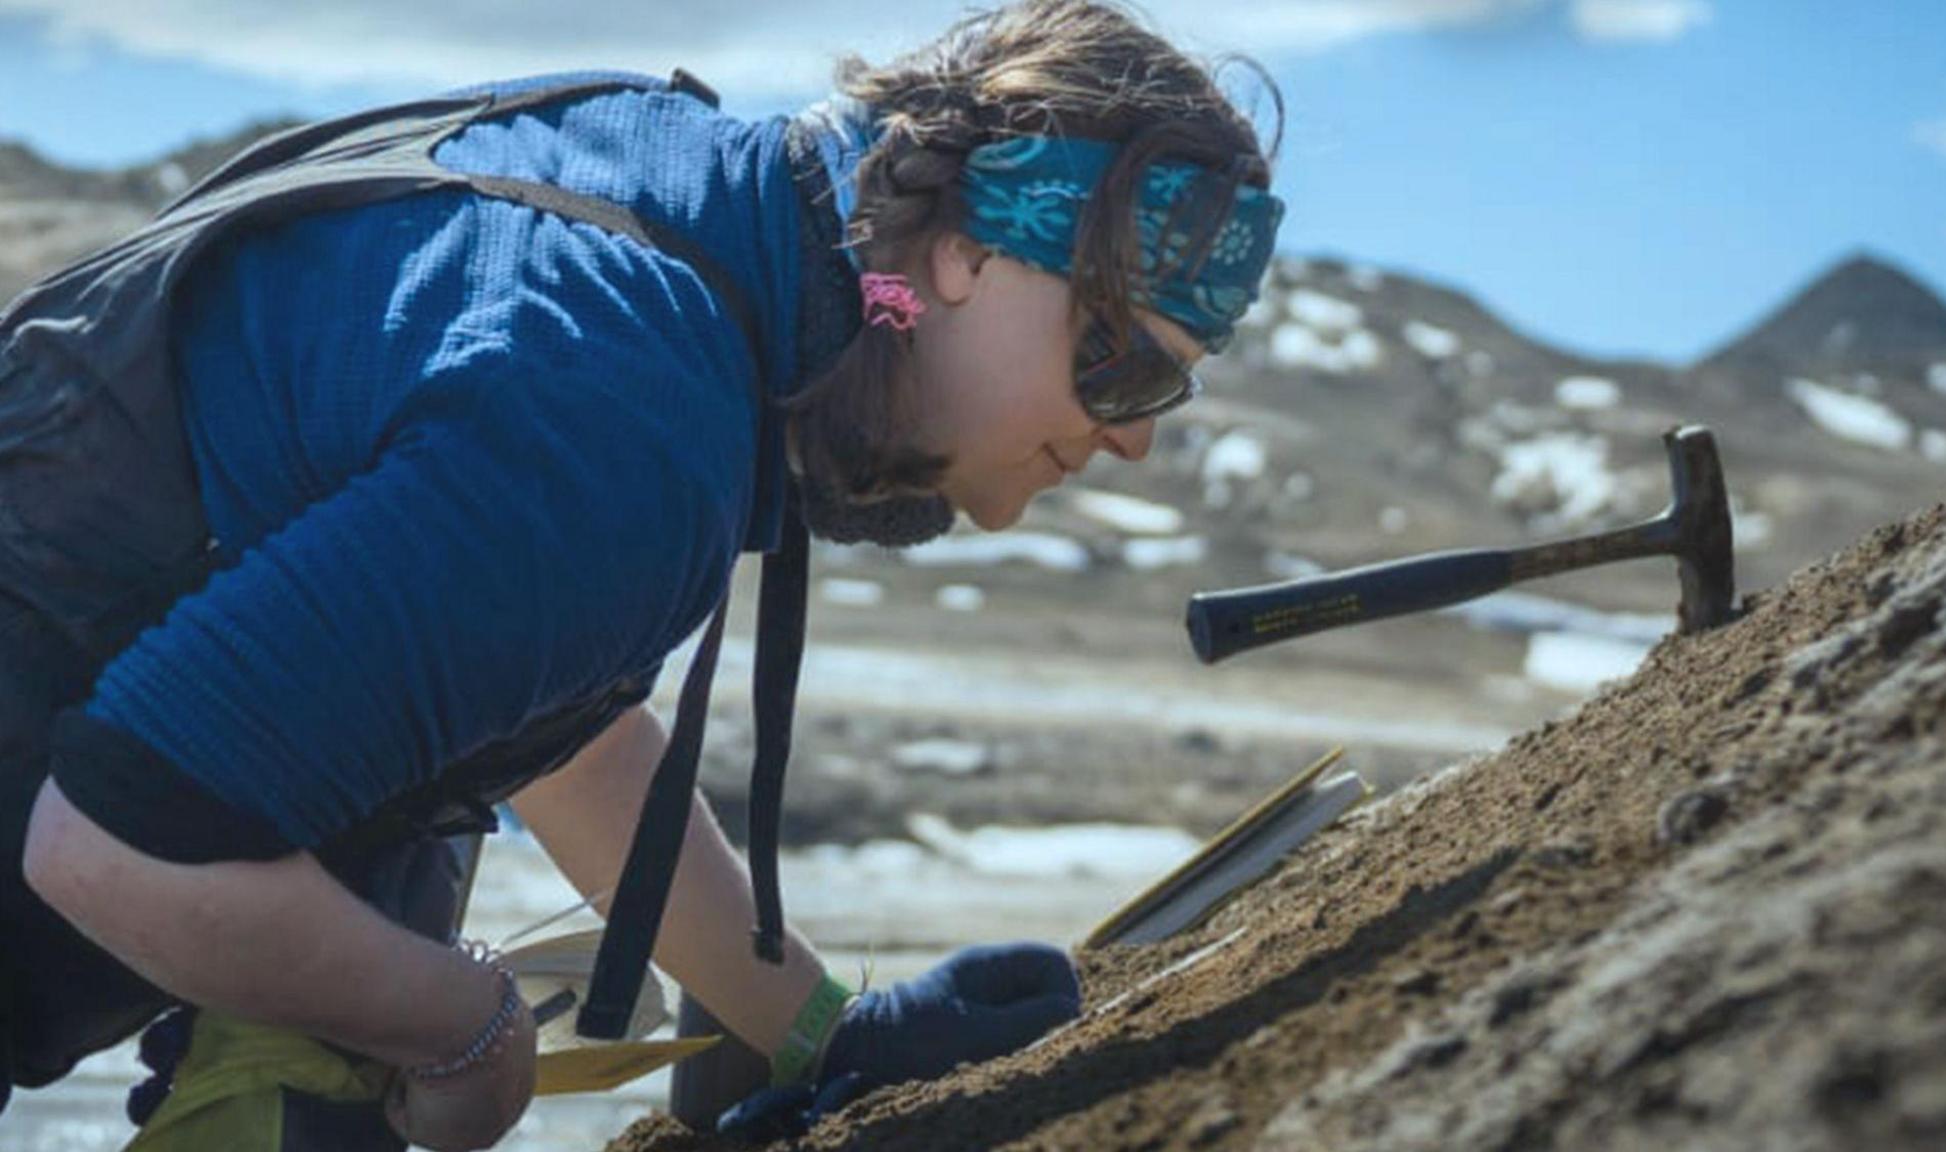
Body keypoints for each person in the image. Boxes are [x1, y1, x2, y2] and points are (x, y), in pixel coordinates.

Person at [0, 0, 1284, 1147]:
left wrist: (816, 1029)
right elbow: (114, 844)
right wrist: (460, 1027)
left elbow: (513, 677)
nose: (1133, 435)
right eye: (1119, 365)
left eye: (1169, 383)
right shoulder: (630, 412)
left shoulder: (649, 180)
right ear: (966, 254)